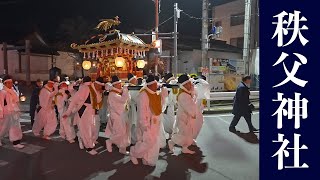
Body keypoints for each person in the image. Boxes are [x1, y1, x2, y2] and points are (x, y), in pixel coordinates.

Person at [130, 75, 168, 166]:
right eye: (155, 85)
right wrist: (144, 124)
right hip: (148, 123)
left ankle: (148, 159)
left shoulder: (154, 93)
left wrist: (163, 95)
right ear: (150, 85)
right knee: (148, 141)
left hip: (155, 123)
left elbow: (160, 107)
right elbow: (142, 111)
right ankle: (134, 153)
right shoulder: (144, 94)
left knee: (154, 142)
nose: (157, 86)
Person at [62, 76, 100, 155]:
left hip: (90, 111)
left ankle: (84, 141)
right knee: (86, 130)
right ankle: (89, 148)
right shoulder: (85, 88)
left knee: (90, 129)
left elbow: (97, 99)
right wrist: (68, 112)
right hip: (84, 111)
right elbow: (74, 100)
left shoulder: (90, 87)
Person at [169, 74, 197, 154]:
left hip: (186, 117)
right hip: (183, 117)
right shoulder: (183, 94)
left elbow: (191, 102)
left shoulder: (186, 92)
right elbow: (188, 106)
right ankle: (172, 142)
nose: (190, 85)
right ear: (184, 84)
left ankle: (184, 147)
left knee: (187, 133)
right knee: (184, 133)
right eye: (188, 83)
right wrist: (193, 113)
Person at [105, 76, 130, 155]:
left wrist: (124, 91)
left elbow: (127, 99)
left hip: (121, 114)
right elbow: (123, 100)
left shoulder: (117, 92)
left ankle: (122, 148)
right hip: (116, 115)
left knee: (124, 132)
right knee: (120, 132)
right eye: (119, 84)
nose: (120, 85)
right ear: (115, 85)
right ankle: (110, 141)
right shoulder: (113, 94)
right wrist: (125, 90)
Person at [0, 75, 24, 148]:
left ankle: (16, 142)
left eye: (11, 82)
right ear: (5, 83)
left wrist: (18, 109)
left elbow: (16, 101)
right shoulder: (3, 92)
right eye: (9, 83)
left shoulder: (13, 91)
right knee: (4, 127)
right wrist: (1, 114)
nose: (11, 84)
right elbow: (0, 104)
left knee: (16, 127)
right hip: (6, 112)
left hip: (14, 111)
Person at [127, 73, 139, 144]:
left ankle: (132, 139)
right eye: (135, 79)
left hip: (132, 108)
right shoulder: (133, 88)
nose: (136, 80)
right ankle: (132, 140)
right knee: (133, 125)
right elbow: (137, 99)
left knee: (132, 124)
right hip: (132, 108)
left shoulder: (131, 87)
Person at [92, 77, 105, 143]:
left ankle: (93, 139)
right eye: (99, 86)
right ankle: (82, 139)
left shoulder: (99, 91)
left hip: (96, 111)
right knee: (90, 127)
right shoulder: (90, 90)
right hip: (89, 111)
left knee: (97, 125)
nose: (100, 87)